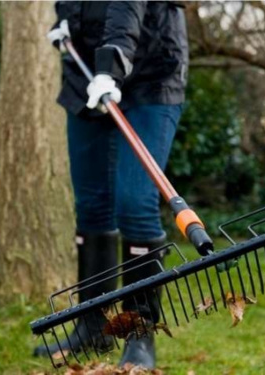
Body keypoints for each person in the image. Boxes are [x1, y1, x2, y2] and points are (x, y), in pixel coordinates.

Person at [33, 1, 188, 369]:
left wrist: (112, 65)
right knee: (92, 206)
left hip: (151, 70)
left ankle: (139, 337)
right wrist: (66, 20)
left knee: (135, 204)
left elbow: (125, 8)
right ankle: (93, 326)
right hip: (86, 73)